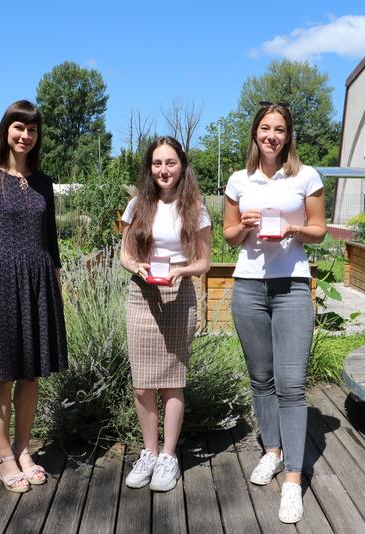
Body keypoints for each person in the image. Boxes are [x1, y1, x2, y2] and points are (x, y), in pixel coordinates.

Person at [222, 102, 326, 524]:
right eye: (265, 128)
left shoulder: (306, 176)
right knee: (260, 378)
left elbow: (319, 231)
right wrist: (244, 226)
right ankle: (272, 450)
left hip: (292, 286)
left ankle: (293, 481)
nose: (272, 136)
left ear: (288, 135)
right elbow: (229, 235)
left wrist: (293, 228)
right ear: (255, 133)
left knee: (292, 384)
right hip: (248, 286)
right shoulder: (238, 179)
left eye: (279, 129)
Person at [0, 100, 68, 493]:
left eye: (32, 130)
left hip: (38, 283)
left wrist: (56, 290)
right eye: (19, 127)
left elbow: (51, 244)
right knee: (2, 373)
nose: (26, 135)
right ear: (6, 129)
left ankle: (24, 450)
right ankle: (4, 454)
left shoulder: (43, 183)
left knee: (30, 374)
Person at [119, 136, 212, 492]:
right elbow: (125, 254)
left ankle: (168, 457)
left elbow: (204, 261)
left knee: (173, 381)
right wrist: (137, 267)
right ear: (149, 167)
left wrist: (181, 270)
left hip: (178, 293)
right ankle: (149, 452)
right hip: (142, 293)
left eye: (170, 163)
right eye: (157, 163)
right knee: (142, 385)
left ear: (182, 166)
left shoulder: (196, 208)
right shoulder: (137, 205)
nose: (163, 170)